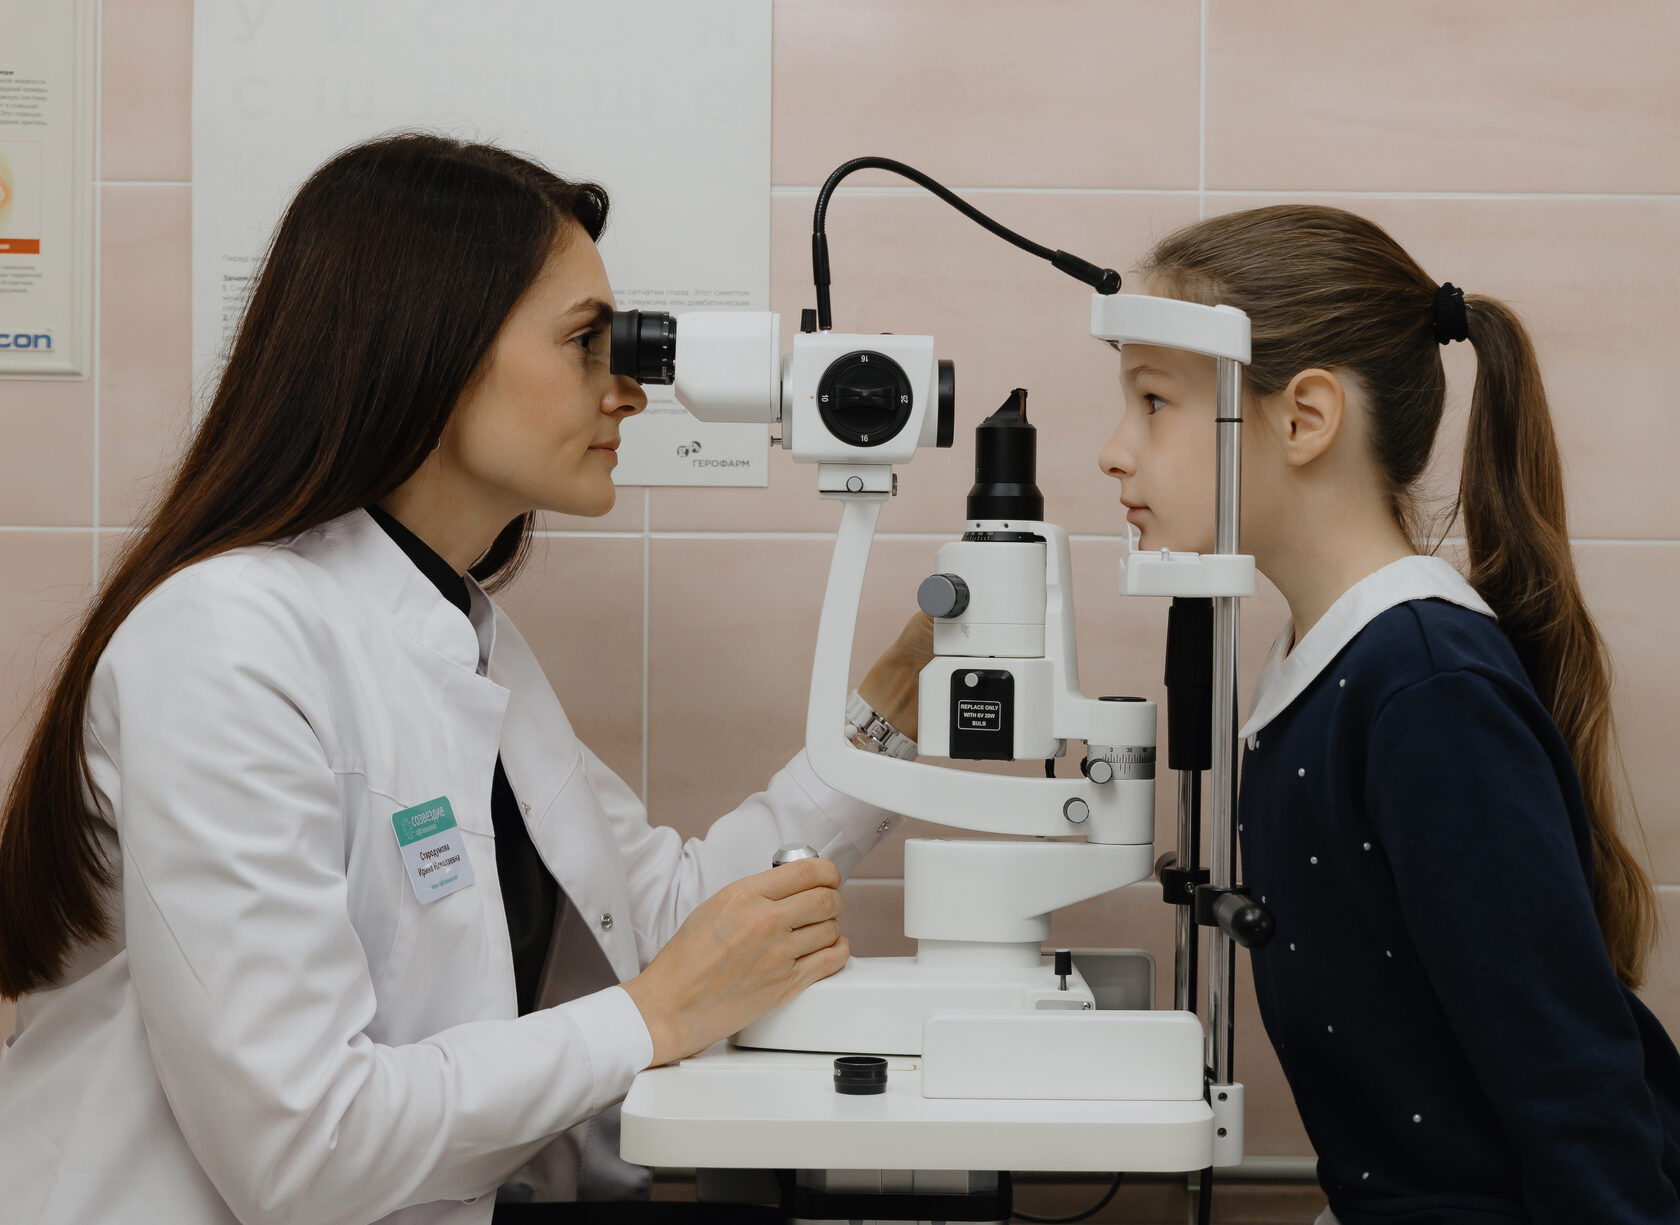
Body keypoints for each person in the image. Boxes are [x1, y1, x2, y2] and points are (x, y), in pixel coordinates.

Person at [0, 134, 933, 1225]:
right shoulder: (224, 645)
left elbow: (667, 922)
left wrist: (896, 701)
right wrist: (650, 1018)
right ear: (431, 349)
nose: (629, 391)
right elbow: (303, 1148)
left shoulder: (460, 632)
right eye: (587, 342)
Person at [1098, 204, 1680, 1225]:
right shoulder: (1328, 665)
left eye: (1153, 401)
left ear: (1305, 418)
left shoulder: (1424, 688)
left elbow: (1572, 1084)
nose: (1114, 451)